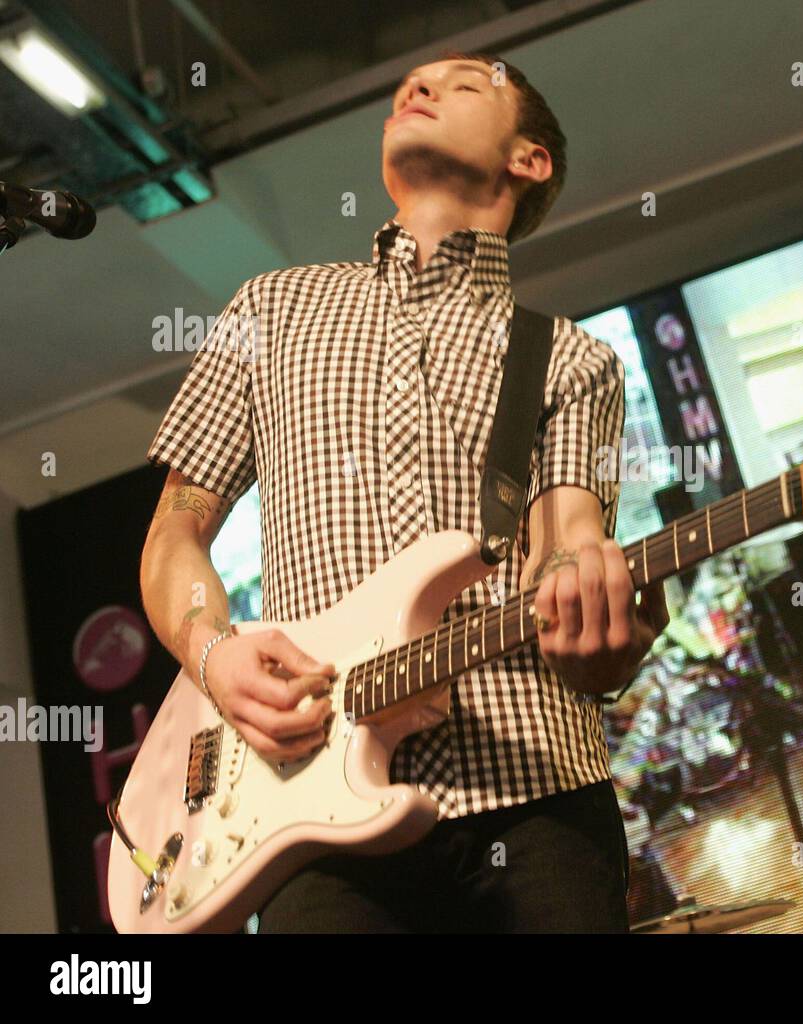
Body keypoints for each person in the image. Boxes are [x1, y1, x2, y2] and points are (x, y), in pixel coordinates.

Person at [140, 50, 669, 933]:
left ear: (527, 160)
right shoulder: (269, 310)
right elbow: (173, 537)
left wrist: (599, 637)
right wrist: (214, 654)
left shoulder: (574, 360)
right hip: (312, 815)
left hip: (536, 795)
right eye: (406, 88)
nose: (416, 89)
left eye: (463, 82)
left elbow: (568, 543)